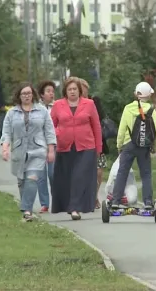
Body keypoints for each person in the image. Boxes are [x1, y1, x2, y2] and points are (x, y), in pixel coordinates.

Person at [0, 83, 56, 222]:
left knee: (32, 179)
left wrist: (50, 150)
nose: (26, 96)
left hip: (38, 150)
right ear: (19, 96)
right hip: (19, 151)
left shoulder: (42, 111)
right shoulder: (12, 113)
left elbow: (49, 131)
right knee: (22, 182)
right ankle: (27, 208)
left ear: (33, 95)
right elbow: (6, 133)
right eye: (24, 93)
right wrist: (5, 148)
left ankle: (26, 211)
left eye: (29, 93)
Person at [50, 77, 102, 220]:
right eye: (69, 89)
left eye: (74, 89)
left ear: (79, 91)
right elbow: (50, 125)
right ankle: (69, 205)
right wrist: (56, 134)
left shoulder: (89, 104)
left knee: (80, 177)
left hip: (86, 146)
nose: (72, 92)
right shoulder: (58, 105)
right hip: (64, 147)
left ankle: (75, 208)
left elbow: (96, 127)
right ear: (65, 91)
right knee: (68, 178)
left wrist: (99, 148)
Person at [110, 82, 156, 209]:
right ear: (149, 95)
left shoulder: (128, 108)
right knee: (146, 174)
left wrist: (119, 145)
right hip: (144, 147)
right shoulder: (151, 110)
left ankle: (115, 201)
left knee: (122, 172)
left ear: (135, 94)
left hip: (128, 145)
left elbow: (121, 129)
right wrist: (154, 146)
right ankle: (148, 202)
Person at [79, 78, 108, 209]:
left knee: (98, 173)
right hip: (81, 143)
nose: (83, 91)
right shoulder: (73, 104)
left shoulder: (94, 101)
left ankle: (94, 195)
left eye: (85, 88)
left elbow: (101, 116)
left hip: (97, 142)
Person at [36, 80, 56, 213]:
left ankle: (58, 200)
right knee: (40, 175)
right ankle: (44, 203)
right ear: (42, 95)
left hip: (54, 144)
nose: (51, 94)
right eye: (48, 91)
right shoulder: (36, 108)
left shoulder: (58, 106)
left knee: (53, 173)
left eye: (53, 91)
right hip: (38, 145)